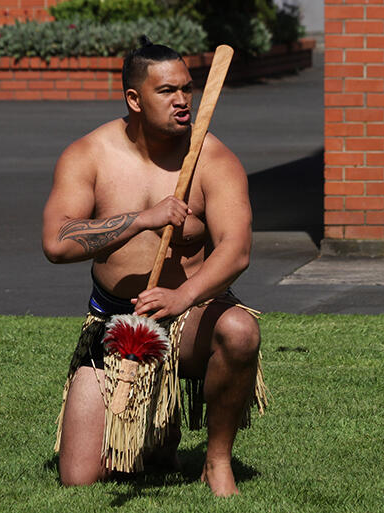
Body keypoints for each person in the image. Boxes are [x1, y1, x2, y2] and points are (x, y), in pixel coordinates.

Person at [41, 37, 264, 497]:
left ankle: (216, 462)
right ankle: (157, 434)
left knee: (240, 331)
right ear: (134, 99)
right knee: (81, 478)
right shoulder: (89, 155)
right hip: (115, 323)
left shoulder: (213, 159)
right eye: (167, 91)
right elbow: (57, 244)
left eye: (187, 88)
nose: (183, 100)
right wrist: (142, 220)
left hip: (191, 317)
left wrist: (183, 296)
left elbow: (236, 249)